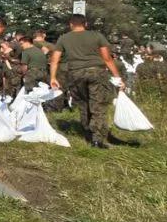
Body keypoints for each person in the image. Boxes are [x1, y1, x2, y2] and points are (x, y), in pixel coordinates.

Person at [50, 15, 125, 148]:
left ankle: (88, 133)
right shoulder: (97, 36)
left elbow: (55, 60)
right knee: (98, 105)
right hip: (96, 72)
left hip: (75, 74)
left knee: (83, 104)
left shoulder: (63, 38)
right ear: (85, 24)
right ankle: (97, 139)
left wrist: (53, 78)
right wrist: (118, 78)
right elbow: (107, 58)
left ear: (71, 24)